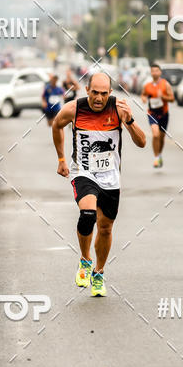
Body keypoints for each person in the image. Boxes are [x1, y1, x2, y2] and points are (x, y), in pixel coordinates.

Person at [52, 72, 146, 297]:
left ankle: (98, 273)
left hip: (111, 177)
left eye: (104, 94)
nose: (99, 98)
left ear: (110, 93)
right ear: (87, 90)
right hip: (83, 172)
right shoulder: (74, 109)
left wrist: (130, 121)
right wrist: (62, 159)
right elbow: (57, 126)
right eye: (95, 92)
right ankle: (85, 261)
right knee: (88, 214)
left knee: (105, 228)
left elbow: (142, 142)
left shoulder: (119, 109)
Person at [141, 63, 174, 168]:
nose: (154, 72)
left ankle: (159, 155)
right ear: (151, 73)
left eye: (156, 70)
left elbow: (172, 99)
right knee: (155, 135)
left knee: (161, 137)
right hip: (152, 113)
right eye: (153, 71)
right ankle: (156, 158)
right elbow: (143, 94)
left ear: (160, 72)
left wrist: (163, 96)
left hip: (163, 113)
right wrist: (144, 98)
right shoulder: (147, 86)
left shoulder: (165, 84)